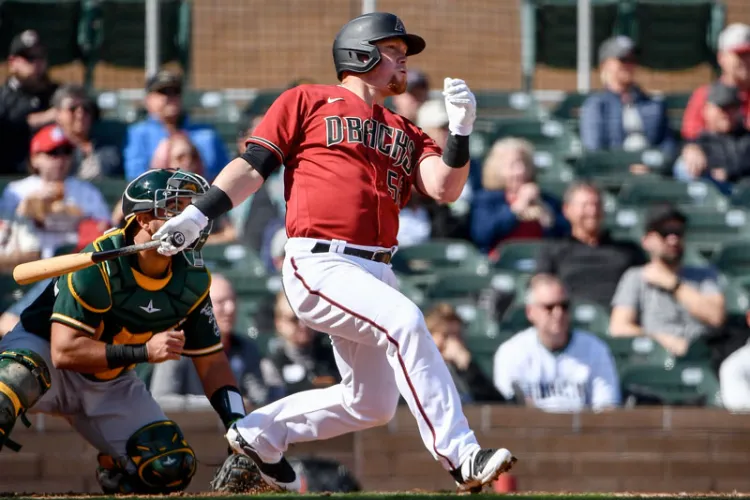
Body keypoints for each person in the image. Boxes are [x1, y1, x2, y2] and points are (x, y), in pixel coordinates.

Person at [151, 11, 516, 493]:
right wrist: (198, 214)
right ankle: (461, 455)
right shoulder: (306, 100)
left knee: (373, 403)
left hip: (375, 269)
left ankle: (258, 434)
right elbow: (253, 164)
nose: (403, 57)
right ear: (360, 53)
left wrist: (463, 131)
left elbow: (444, 186)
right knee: (405, 322)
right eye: (393, 49)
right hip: (320, 258)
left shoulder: (404, 130)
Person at [0, 169, 256, 493]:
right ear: (144, 217)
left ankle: (116, 470)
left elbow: (212, 363)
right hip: (43, 354)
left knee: (169, 465)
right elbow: (64, 352)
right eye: (177, 207)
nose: (191, 218)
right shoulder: (98, 266)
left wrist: (239, 427)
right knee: (8, 386)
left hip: (110, 379)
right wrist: (145, 352)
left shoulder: (191, 280)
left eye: (193, 208)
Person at [493, 274, 621, 412]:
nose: (558, 313)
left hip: (584, 431)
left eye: (564, 306)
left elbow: (607, 408)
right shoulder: (512, 352)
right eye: (549, 307)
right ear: (530, 312)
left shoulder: (595, 349)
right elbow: (507, 411)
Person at [610, 205, 726, 357]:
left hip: (704, 353)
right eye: (664, 233)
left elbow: (716, 317)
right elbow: (618, 327)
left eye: (678, 232)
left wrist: (674, 285)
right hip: (657, 357)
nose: (673, 239)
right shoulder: (636, 277)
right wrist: (663, 341)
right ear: (646, 241)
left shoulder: (704, 275)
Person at [149, 273, 269, 407]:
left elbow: (259, 399)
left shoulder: (245, 349)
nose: (230, 309)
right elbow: (162, 399)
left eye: (233, 301)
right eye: (221, 302)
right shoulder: (176, 348)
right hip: (190, 426)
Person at [0, 125, 111, 258]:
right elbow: (4, 233)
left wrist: (74, 215)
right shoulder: (17, 190)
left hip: (74, 262)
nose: (61, 158)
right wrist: (25, 208)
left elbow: (105, 229)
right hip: (30, 264)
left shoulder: (86, 191)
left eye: (66, 151)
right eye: (53, 152)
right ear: (34, 158)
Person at [536, 183, 646, 306]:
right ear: (567, 210)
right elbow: (541, 287)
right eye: (585, 206)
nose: (592, 211)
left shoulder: (628, 250)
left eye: (597, 205)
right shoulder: (553, 250)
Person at [580, 36, 677, 170]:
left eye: (632, 60)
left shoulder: (654, 104)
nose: (629, 65)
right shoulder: (596, 105)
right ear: (605, 65)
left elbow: (668, 145)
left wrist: (652, 165)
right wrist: (626, 165)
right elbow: (594, 150)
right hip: (614, 176)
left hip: (652, 171)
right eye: (623, 60)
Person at [123, 71, 228, 181]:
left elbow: (223, 175)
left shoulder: (207, 135)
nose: (170, 97)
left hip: (204, 193)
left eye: (175, 92)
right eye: (163, 92)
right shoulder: (139, 133)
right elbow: (135, 176)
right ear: (148, 99)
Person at [470, 138, 567, 255]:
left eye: (524, 164)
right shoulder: (485, 200)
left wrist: (547, 215)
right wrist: (517, 208)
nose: (521, 171)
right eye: (513, 165)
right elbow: (482, 235)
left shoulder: (547, 200)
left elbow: (565, 234)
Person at [681, 23, 750, 176]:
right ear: (722, 58)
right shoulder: (705, 95)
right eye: (739, 55)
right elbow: (691, 137)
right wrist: (692, 149)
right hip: (715, 169)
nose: (745, 61)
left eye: (748, 54)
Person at [261, 291, 339, 401]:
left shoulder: (334, 356)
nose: (303, 325)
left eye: (307, 318)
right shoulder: (272, 364)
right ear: (279, 322)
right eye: (295, 319)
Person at [0, 30, 59, 174]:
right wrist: (41, 119)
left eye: (41, 56)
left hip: (53, 173)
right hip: (10, 175)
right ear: (13, 62)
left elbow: (90, 108)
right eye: (29, 57)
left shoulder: (56, 92)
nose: (37, 62)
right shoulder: (4, 96)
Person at [674, 81, 750, 192]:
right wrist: (688, 150)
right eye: (722, 108)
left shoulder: (746, 138)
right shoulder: (698, 144)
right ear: (706, 110)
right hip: (713, 197)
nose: (726, 114)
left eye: (732, 108)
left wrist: (728, 172)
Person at [424, 303, 504, 403]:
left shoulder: (465, 369)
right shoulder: (421, 369)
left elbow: (497, 403)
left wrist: (468, 367)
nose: (454, 342)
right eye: (446, 335)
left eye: (457, 335)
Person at [52, 84, 122, 179]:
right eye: (72, 109)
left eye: (86, 109)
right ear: (58, 114)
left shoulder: (109, 148)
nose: (80, 114)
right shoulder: (51, 149)